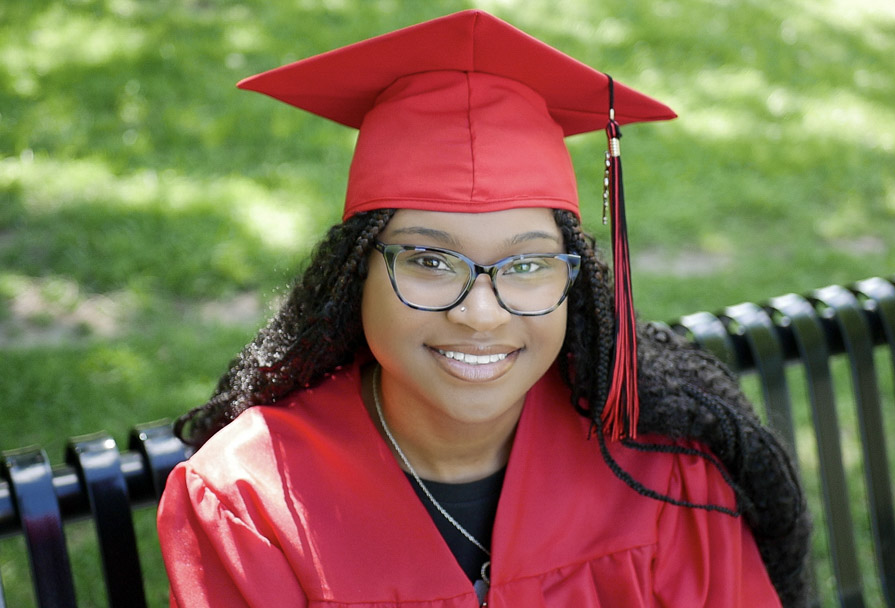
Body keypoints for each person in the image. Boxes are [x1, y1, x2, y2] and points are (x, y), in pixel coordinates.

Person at [157, 10, 810, 607]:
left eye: (526, 266)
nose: (480, 314)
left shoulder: (660, 473)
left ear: (576, 281)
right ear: (357, 273)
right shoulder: (252, 499)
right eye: (430, 261)